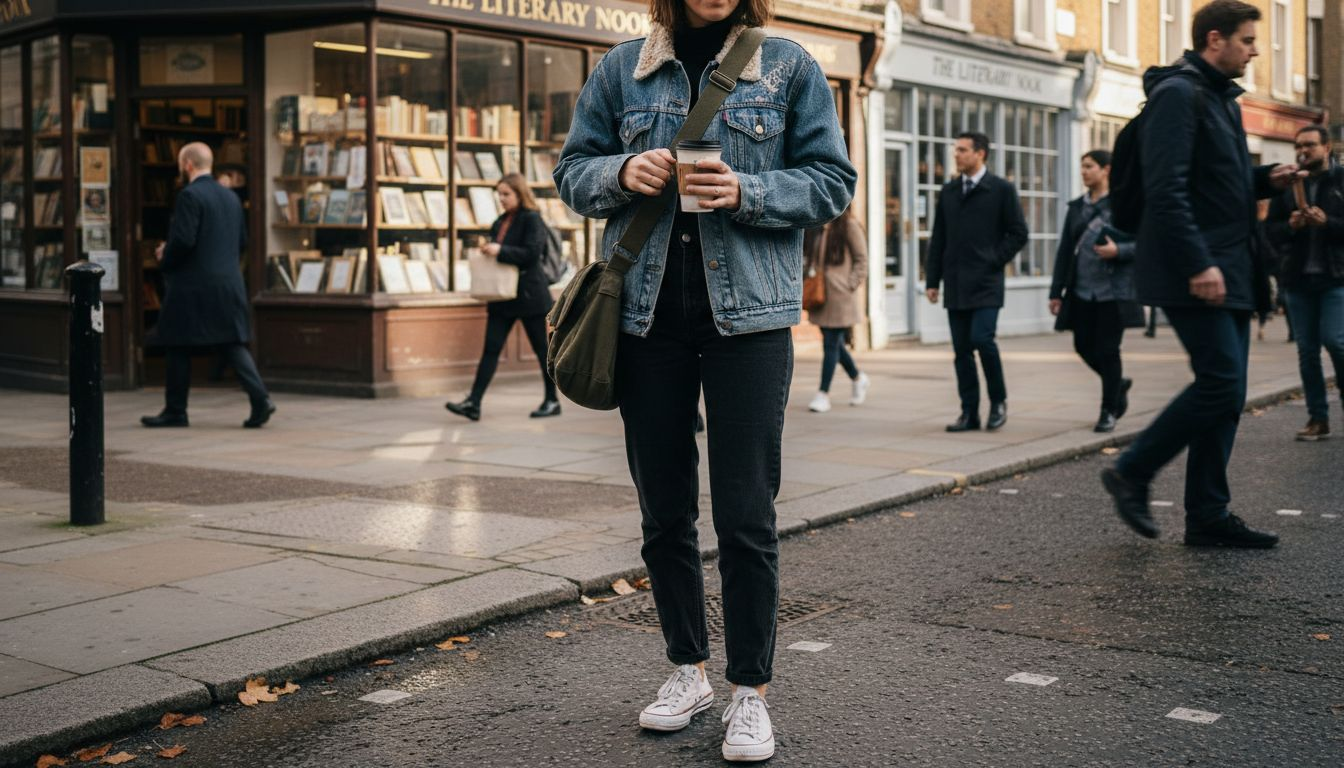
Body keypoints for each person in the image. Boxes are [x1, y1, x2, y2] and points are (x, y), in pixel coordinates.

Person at [554, 0, 855, 759]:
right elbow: (571, 171)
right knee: (664, 511)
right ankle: (685, 671)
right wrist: (622, 170)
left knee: (746, 515)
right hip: (645, 320)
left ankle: (749, 691)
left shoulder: (787, 64)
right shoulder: (622, 68)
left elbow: (832, 182)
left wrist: (748, 193)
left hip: (750, 321)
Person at [1100, 0, 1303, 548]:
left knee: (1229, 392)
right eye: (1247, 40)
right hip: (1196, 266)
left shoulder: (1219, 98)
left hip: (1230, 264)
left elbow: (1216, 182)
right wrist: (1198, 264)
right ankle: (1132, 471)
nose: (1256, 50)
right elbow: (1166, 190)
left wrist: (1266, 180)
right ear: (1215, 40)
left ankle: (1208, 515)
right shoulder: (1178, 95)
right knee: (1218, 383)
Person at [141, 142, 274, 429]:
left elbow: (185, 240)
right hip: (228, 283)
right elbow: (241, 242)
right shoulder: (231, 198)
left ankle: (176, 410)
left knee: (176, 343)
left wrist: (166, 254)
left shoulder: (189, 195)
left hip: (192, 285)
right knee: (231, 343)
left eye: (180, 164)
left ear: (188, 164)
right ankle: (260, 398)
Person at [925, 131, 1029, 433]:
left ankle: (998, 402)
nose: (956, 155)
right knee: (961, 351)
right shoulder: (948, 192)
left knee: (983, 340)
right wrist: (933, 280)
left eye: (962, 150)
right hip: (956, 283)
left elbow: (1019, 233)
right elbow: (939, 238)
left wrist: (993, 260)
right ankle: (968, 413)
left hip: (986, 283)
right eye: (955, 150)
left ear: (980, 153)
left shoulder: (1001, 190)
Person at [444, 173, 561, 421]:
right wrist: (490, 250)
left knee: (543, 350)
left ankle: (552, 400)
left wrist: (501, 250)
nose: (502, 199)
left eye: (506, 194)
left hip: (529, 295)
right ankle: (473, 403)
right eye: (499, 194)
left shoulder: (532, 219)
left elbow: (532, 254)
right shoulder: (500, 221)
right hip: (502, 295)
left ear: (520, 194)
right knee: (491, 349)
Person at [1049, 149, 1142, 433]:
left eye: (1089, 167)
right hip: (1081, 289)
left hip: (1114, 291)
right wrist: (1056, 292)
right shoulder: (1077, 207)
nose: (1084, 172)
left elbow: (1146, 242)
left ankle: (1108, 410)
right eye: (1082, 167)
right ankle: (1118, 384)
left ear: (1106, 170)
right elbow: (1065, 250)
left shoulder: (1123, 204)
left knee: (1108, 349)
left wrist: (1119, 250)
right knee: (1082, 345)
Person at [1265, 124, 1344, 441]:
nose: (1302, 151)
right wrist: (1291, 226)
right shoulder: (1287, 186)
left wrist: (1329, 224)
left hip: (1336, 277)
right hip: (1297, 279)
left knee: (1336, 341)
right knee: (1307, 351)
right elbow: (1269, 232)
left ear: (1326, 148)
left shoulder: (1341, 181)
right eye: (1298, 145)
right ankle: (1317, 418)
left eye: (1310, 145)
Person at [805, 207, 870, 413]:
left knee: (831, 344)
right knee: (835, 344)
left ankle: (823, 394)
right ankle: (858, 378)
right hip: (821, 296)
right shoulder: (819, 226)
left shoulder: (849, 226)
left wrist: (850, 284)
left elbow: (862, 260)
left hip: (841, 297)